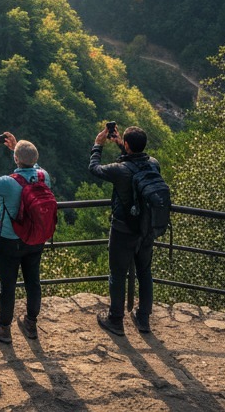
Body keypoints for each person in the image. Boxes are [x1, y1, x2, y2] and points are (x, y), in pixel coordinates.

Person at [0, 132, 51, 342]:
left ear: (17, 159)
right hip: (37, 238)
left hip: (11, 240)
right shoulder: (45, 176)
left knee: (7, 284)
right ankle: (30, 323)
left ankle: (3, 328)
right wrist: (18, 149)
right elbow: (34, 167)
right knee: (33, 281)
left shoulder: (10, 183)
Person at [88, 124, 156, 335]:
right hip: (146, 229)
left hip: (123, 229)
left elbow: (95, 169)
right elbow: (136, 167)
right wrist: (122, 146)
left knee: (117, 273)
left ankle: (116, 320)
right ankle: (143, 319)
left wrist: (97, 146)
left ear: (127, 145)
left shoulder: (119, 170)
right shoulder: (154, 164)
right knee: (145, 272)